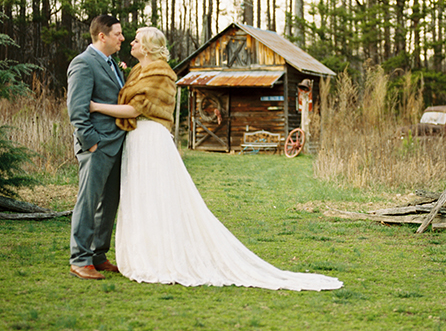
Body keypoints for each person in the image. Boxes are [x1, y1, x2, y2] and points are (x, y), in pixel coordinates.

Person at [90, 27, 343, 291]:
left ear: (149, 47)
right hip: (136, 139)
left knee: (157, 197)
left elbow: (135, 108)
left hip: (151, 138)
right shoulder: (136, 71)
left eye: (137, 40)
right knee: (140, 198)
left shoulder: (160, 73)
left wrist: (96, 107)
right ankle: (144, 251)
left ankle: (161, 255)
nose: (131, 42)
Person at [67, 15, 127, 280]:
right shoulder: (83, 63)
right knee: (89, 203)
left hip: (117, 145)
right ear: (102, 36)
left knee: (109, 204)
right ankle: (80, 260)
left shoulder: (113, 64)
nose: (122, 38)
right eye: (118, 34)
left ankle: (98, 255)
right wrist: (90, 143)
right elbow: (77, 111)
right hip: (97, 146)